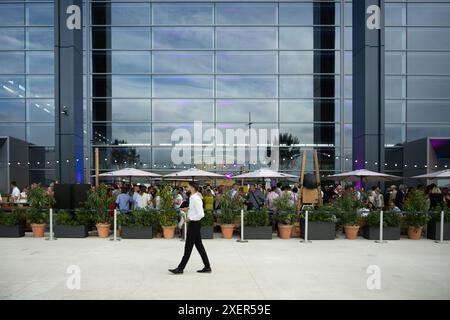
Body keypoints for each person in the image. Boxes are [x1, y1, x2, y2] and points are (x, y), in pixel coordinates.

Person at [169, 182, 211, 275]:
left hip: (194, 224)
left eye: (188, 186)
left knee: (188, 247)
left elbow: (201, 214)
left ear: (192, 188)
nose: (186, 188)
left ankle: (180, 268)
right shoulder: (193, 198)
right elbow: (195, 210)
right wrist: (188, 209)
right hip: (194, 224)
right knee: (199, 247)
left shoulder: (196, 199)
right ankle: (207, 266)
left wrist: (189, 218)